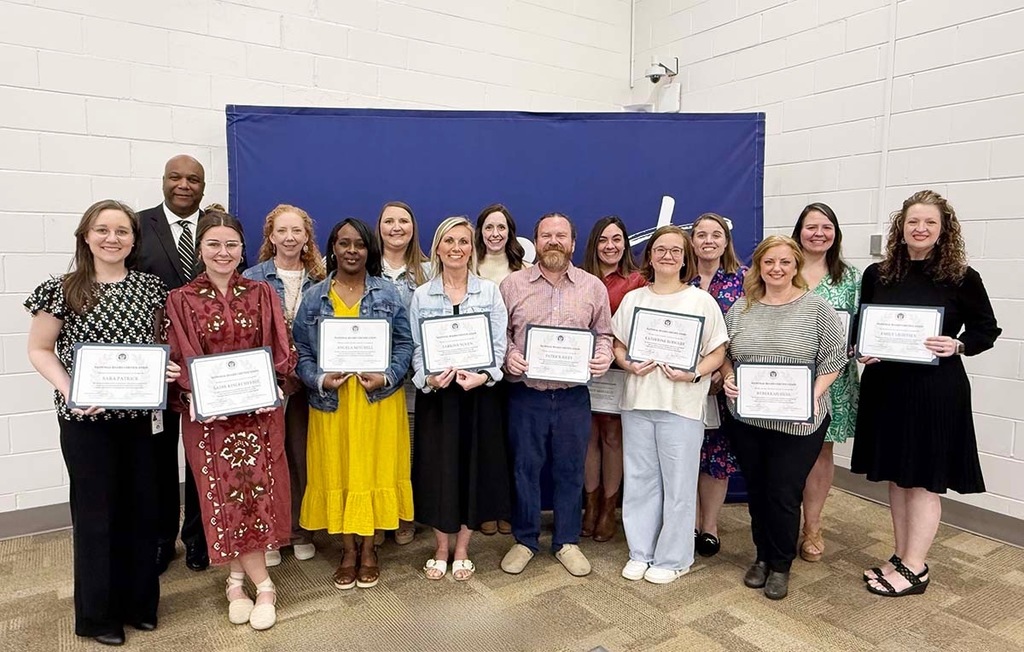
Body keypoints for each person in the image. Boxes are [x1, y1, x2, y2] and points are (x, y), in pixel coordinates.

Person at [25, 200, 177, 646]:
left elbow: (158, 344)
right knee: (96, 516)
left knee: (141, 510)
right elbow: (39, 350)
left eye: (122, 232)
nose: (112, 239)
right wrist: (71, 389)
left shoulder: (151, 288)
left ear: (134, 240)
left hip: (141, 419)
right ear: (86, 236)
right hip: (86, 421)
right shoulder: (60, 289)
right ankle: (97, 615)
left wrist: (165, 368)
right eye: (103, 230)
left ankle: (138, 604)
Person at [852, 190, 1000, 598]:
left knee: (922, 482)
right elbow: (861, 326)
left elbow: (986, 330)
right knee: (899, 479)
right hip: (887, 388)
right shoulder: (878, 274)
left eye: (929, 223)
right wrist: (862, 348)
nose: (920, 229)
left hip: (934, 391)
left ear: (943, 229)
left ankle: (916, 567)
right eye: (913, 221)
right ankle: (902, 555)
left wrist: (959, 345)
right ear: (900, 227)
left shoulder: (961, 277)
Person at [165, 210, 295, 631]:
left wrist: (274, 383)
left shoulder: (261, 293)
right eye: (214, 244)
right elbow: (180, 357)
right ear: (199, 248)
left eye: (231, 245)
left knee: (257, 495)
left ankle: (238, 580)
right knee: (221, 498)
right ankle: (264, 582)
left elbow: (280, 348)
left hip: (257, 416)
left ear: (243, 249)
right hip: (210, 420)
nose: (223, 253)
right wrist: (195, 390)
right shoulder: (180, 300)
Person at [720, 235, 847, 600]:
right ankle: (761, 556)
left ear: (796, 266)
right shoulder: (740, 309)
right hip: (748, 420)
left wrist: (812, 393)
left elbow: (834, 360)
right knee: (758, 491)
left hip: (799, 422)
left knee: (784, 492)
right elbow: (727, 354)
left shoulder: (817, 308)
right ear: (759, 266)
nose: (777, 269)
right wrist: (729, 377)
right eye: (769, 262)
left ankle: (781, 565)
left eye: (785, 263)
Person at [293, 218, 414, 591]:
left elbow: (405, 346)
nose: (351, 251)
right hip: (333, 404)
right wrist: (319, 379)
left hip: (376, 402)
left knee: (373, 471)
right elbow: (302, 351)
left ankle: (370, 549)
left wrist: (388, 376)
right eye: (343, 243)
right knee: (339, 471)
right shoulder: (315, 295)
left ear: (369, 250)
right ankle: (347, 550)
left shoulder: (388, 294)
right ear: (333, 248)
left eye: (359, 244)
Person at [498, 212, 614, 578]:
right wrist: (510, 356)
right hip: (526, 396)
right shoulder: (512, 285)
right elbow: (498, 334)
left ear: (573, 243)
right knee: (524, 469)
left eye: (560, 236)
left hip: (572, 397)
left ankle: (566, 541)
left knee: (569, 470)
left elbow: (605, 336)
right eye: (546, 235)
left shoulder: (592, 286)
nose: (553, 241)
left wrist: (602, 357)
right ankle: (525, 539)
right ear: (536, 242)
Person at [613, 226, 728, 584]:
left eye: (675, 250)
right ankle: (640, 552)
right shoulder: (635, 299)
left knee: (679, 484)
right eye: (660, 249)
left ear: (685, 257)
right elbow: (618, 343)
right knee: (640, 480)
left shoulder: (700, 301)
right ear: (649, 255)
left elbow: (719, 351)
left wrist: (694, 373)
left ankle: (674, 558)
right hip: (639, 401)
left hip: (681, 403)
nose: (667, 255)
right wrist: (626, 363)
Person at [410, 217, 510, 581]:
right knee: (438, 472)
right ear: (437, 247)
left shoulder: (489, 292)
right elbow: (417, 349)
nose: (456, 248)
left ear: (473, 248)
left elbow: (499, 346)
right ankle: (440, 547)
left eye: (464, 242)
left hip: (477, 396)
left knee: (472, 469)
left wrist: (484, 376)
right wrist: (430, 379)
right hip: (438, 398)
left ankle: (464, 548)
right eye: (448, 241)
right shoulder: (422, 295)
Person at [136, 154, 210, 573]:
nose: (184, 185)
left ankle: (198, 538)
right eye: (176, 177)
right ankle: (163, 538)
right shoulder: (138, 225)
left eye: (194, 179)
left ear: (203, 185)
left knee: (201, 453)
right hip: (159, 364)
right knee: (159, 456)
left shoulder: (219, 228)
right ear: (163, 181)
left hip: (207, 365)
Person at [243, 204, 326, 567]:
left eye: (297, 231)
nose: (290, 237)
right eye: (282, 231)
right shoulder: (253, 277)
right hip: (269, 382)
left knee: (301, 456)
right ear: (271, 236)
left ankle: (300, 530)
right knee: (268, 458)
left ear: (307, 237)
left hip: (308, 381)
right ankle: (272, 535)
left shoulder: (323, 277)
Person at [790, 203, 861, 563]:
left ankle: (812, 526)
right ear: (798, 231)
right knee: (784, 449)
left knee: (821, 450)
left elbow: (863, 327)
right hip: (785, 379)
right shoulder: (782, 268)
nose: (818, 233)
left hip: (832, 379)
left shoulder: (850, 277)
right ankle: (785, 524)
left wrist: (864, 346)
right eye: (810, 226)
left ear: (836, 233)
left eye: (826, 227)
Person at [580, 216, 646, 542]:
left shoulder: (637, 281)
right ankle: (589, 504)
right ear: (595, 243)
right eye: (604, 239)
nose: (610, 246)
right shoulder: (577, 279)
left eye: (617, 239)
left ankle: (608, 507)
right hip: (582, 372)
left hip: (620, 373)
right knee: (587, 437)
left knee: (612, 438)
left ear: (625, 243)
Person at [688, 213, 747, 558]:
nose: (708, 241)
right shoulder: (681, 279)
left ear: (726, 241)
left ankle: (709, 526)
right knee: (688, 453)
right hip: (684, 381)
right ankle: (689, 523)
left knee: (717, 457)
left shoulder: (745, 281)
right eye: (701, 235)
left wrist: (723, 372)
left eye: (716, 235)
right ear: (691, 241)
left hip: (729, 384)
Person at [472, 203, 529, 537]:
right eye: (489, 228)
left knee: (514, 443)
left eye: (501, 228)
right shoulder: (469, 265)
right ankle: (487, 508)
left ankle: (508, 509)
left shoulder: (526, 269)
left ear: (510, 232)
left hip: (518, 371)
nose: (495, 234)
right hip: (480, 371)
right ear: (480, 232)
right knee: (486, 441)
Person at [374, 200, 427, 545]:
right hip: (374, 377)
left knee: (408, 447)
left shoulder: (428, 270)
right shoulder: (363, 267)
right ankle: (379, 515)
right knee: (378, 447)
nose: (396, 227)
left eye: (403, 221)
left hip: (414, 378)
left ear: (413, 227)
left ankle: (404, 514)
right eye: (389, 221)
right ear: (378, 227)